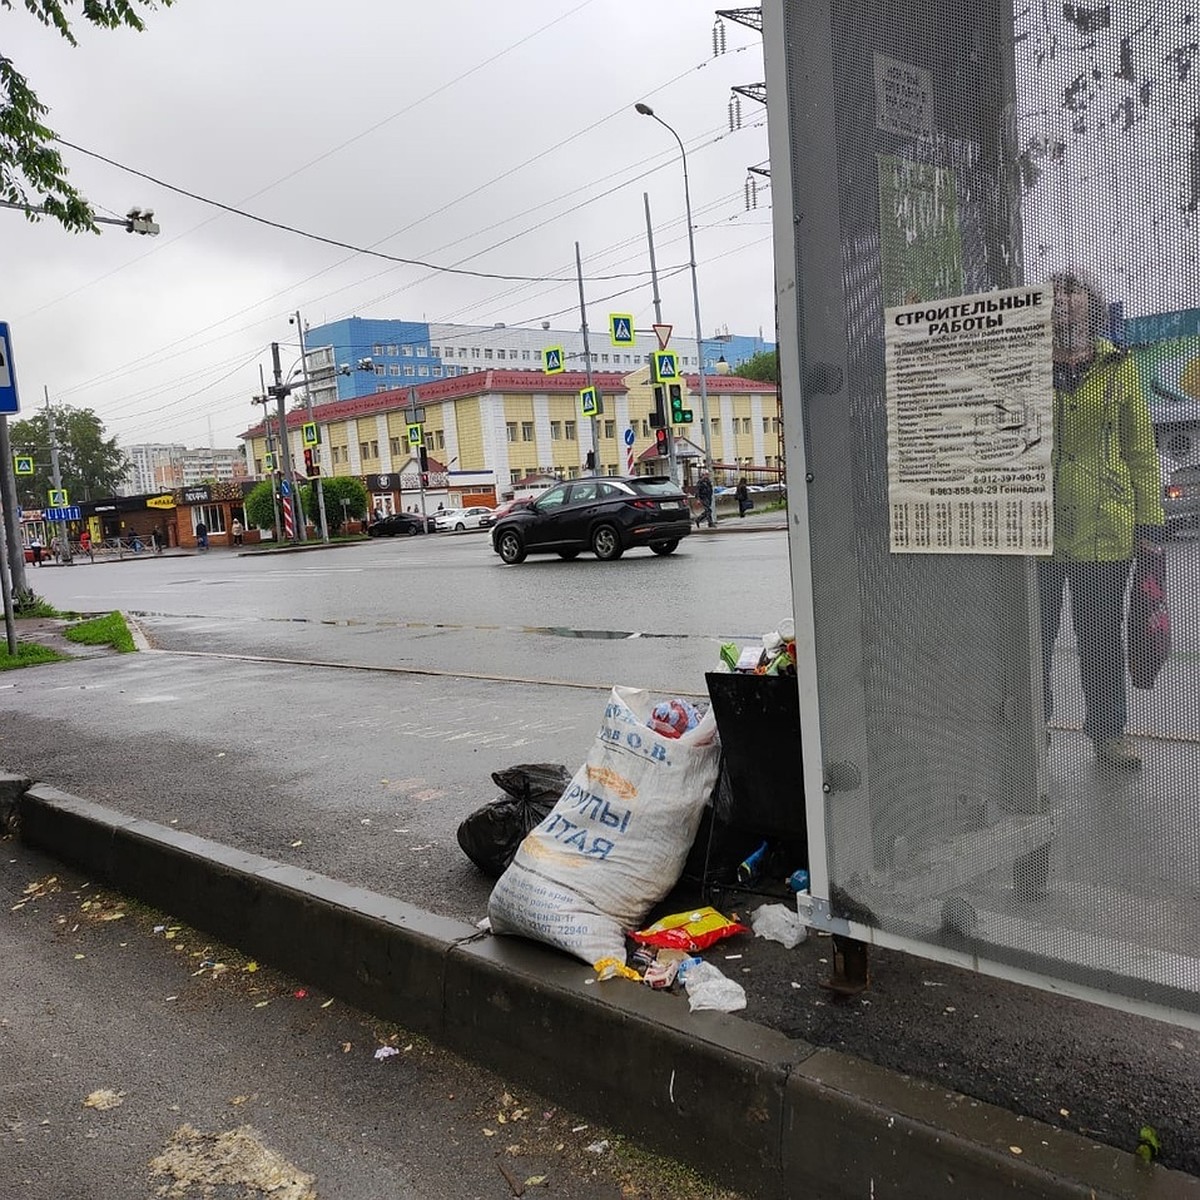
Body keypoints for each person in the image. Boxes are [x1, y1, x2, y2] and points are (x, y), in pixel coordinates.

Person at [1039, 270, 1164, 770]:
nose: (1061, 302)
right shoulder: (1023, 363)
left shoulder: (1120, 366)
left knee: (1099, 638)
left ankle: (1109, 732)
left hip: (1104, 527)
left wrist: (1150, 523)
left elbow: (1140, 448)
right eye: (1053, 295)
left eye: (1072, 292)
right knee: (1033, 636)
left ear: (1092, 304)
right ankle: (1034, 728)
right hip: (1038, 530)